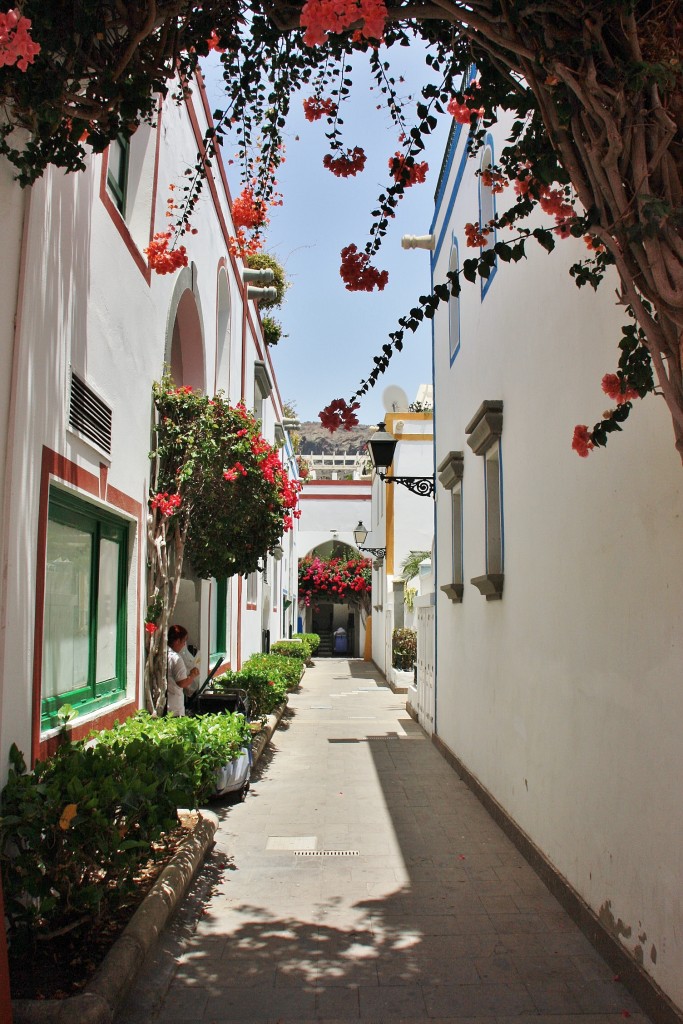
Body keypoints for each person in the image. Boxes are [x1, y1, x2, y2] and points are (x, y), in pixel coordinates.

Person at [166, 624, 200, 716]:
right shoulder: (176, 658)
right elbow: (182, 683)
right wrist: (192, 675)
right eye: (184, 641)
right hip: (174, 706)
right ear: (177, 641)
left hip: (165, 703)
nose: (184, 644)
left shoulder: (163, 654)